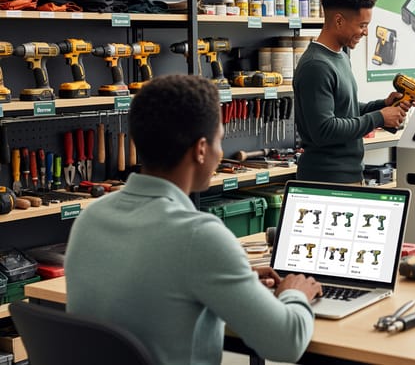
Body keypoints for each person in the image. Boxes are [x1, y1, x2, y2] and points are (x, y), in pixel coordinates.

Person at [66, 74, 322, 365]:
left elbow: (154, 284)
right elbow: (287, 343)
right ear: (201, 149)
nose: (221, 153)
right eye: (219, 140)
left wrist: (232, 278)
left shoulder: (91, 218)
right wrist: (294, 293)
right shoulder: (199, 236)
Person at [293, 0, 410, 183]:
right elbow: (325, 129)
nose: (366, 32)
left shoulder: (340, 57)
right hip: (327, 181)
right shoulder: (316, 65)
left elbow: (345, 109)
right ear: (339, 21)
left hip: (347, 177)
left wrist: (382, 105)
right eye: (362, 25)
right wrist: (379, 118)